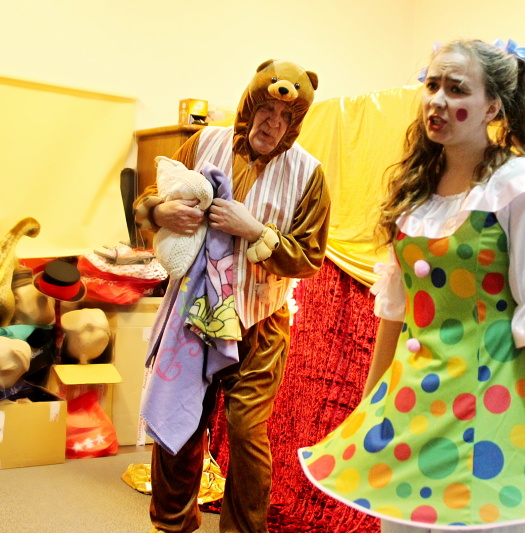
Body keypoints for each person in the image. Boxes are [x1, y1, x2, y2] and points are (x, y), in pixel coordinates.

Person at [298, 39, 525, 532]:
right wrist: (368, 407)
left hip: (491, 409)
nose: (437, 100)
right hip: (411, 406)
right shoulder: (414, 191)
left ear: (493, 107)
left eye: (457, 89)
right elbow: (396, 312)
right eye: (432, 85)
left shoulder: (520, 183)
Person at [134, 59, 331, 533]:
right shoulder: (204, 143)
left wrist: (257, 232)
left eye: (285, 116)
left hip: (260, 321)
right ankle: (172, 524)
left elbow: (309, 257)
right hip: (192, 311)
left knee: (246, 433)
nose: (273, 123)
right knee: (180, 421)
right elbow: (151, 196)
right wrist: (160, 212)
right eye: (266, 109)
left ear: (296, 122)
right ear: (249, 105)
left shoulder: (309, 174)